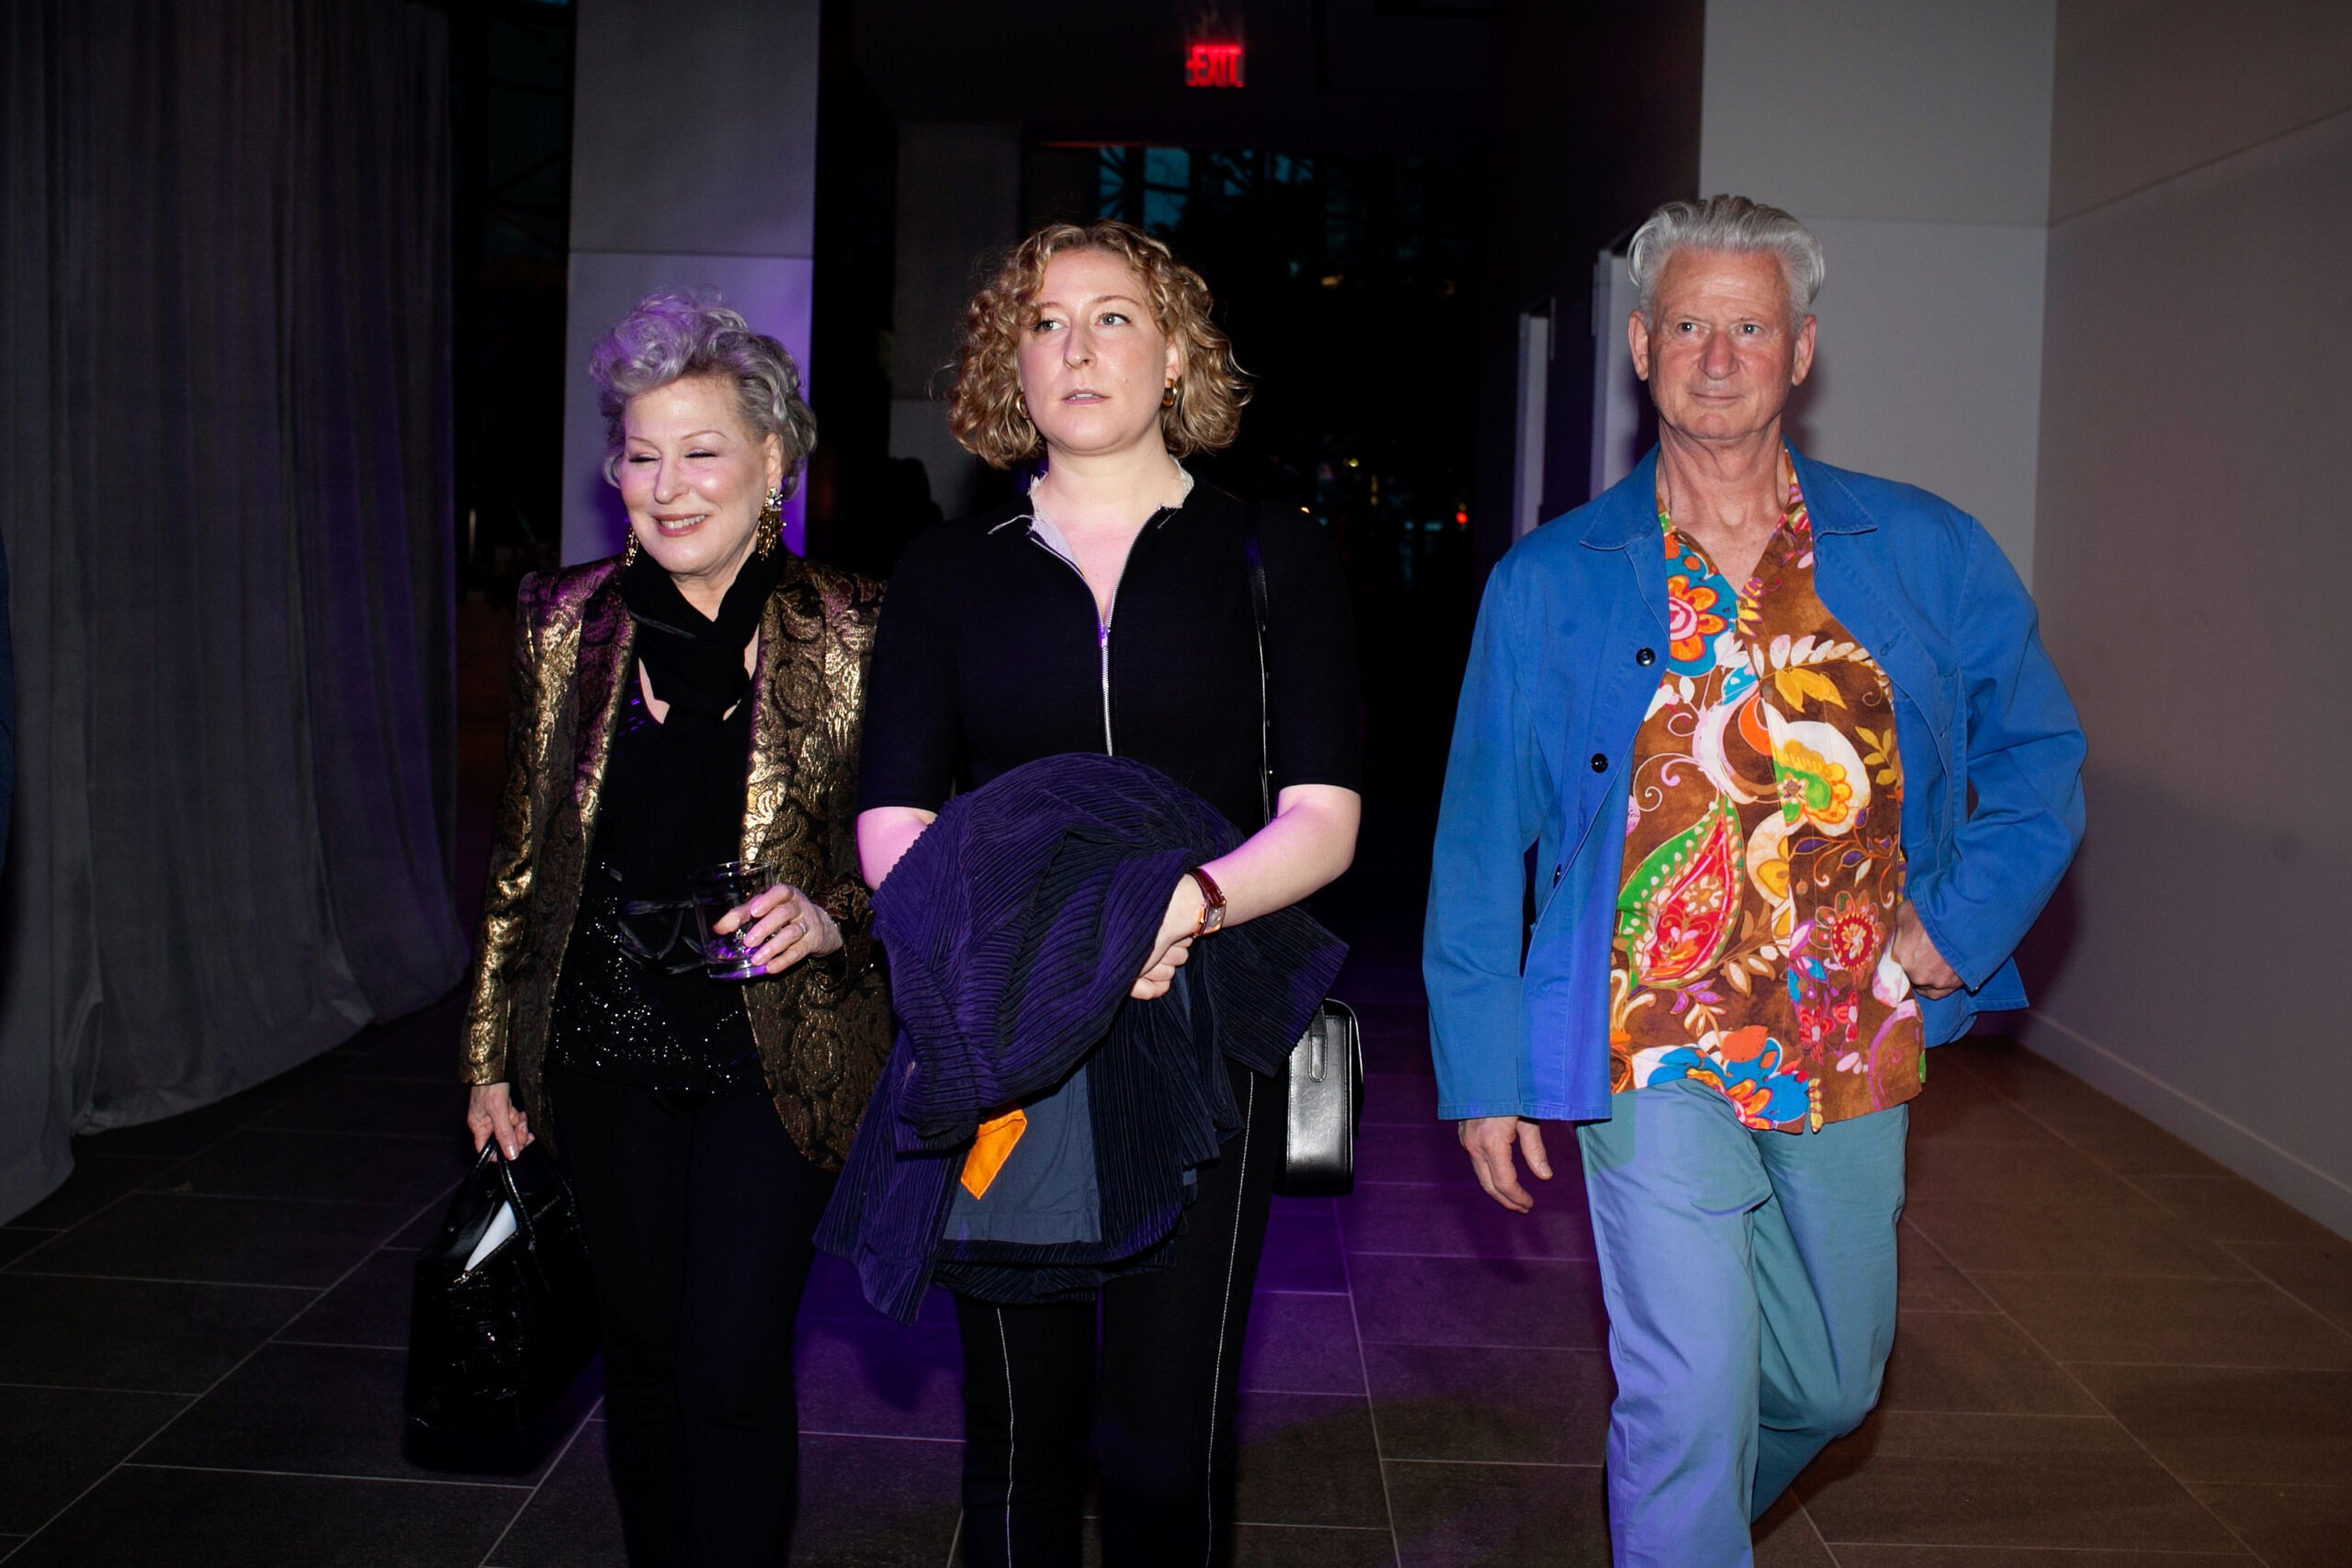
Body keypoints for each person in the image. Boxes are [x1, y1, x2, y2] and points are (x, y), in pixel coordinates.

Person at [1423, 197, 2085, 1566]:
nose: (1716, 354)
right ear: (1641, 347)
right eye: (1687, 324)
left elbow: (2040, 758)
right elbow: (1486, 839)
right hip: (1645, 1040)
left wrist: (1949, 935)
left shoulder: (1925, 550)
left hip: (1855, 1022)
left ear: (1800, 353)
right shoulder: (1548, 583)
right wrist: (1486, 1063)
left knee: (1834, 1383)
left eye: (1749, 326)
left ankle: (1686, 1516)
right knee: (1684, 1390)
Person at [854, 220, 1363, 1567]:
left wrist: (1179, 905)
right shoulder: (946, 573)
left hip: (1207, 1010)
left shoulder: (1273, 559)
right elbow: (895, 813)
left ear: (1178, 350)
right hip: (1005, 1020)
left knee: (1164, 1442)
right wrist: (994, 953)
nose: (1076, 347)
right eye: (1043, 321)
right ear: (1005, 365)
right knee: (1018, 1444)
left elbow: (1324, 815)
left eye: (1115, 317)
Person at [459, 290, 890, 1566]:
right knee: (641, 1356)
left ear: (774, 464)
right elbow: (521, 860)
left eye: (701, 451)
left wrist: (833, 914)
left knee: (733, 1359)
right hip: (600, 1041)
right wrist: (487, 1053)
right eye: (642, 455)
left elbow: (924, 846)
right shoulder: (564, 621)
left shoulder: (856, 627)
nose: (667, 483)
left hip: (777, 1051)